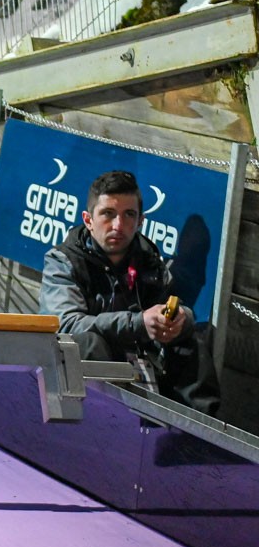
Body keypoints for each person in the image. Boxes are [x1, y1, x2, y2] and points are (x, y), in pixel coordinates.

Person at [39, 170, 219, 415]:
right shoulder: (63, 261)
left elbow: (166, 308)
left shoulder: (150, 260)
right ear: (88, 220)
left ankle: (195, 432)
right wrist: (139, 323)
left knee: (190, 337)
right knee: (86, 343)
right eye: (108, 214)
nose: (118, 225)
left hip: (141, 364)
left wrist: (179, 320)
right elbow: (66, 324)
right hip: (80, 380)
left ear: (140, 221)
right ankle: (107, 423)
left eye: (129, 215)